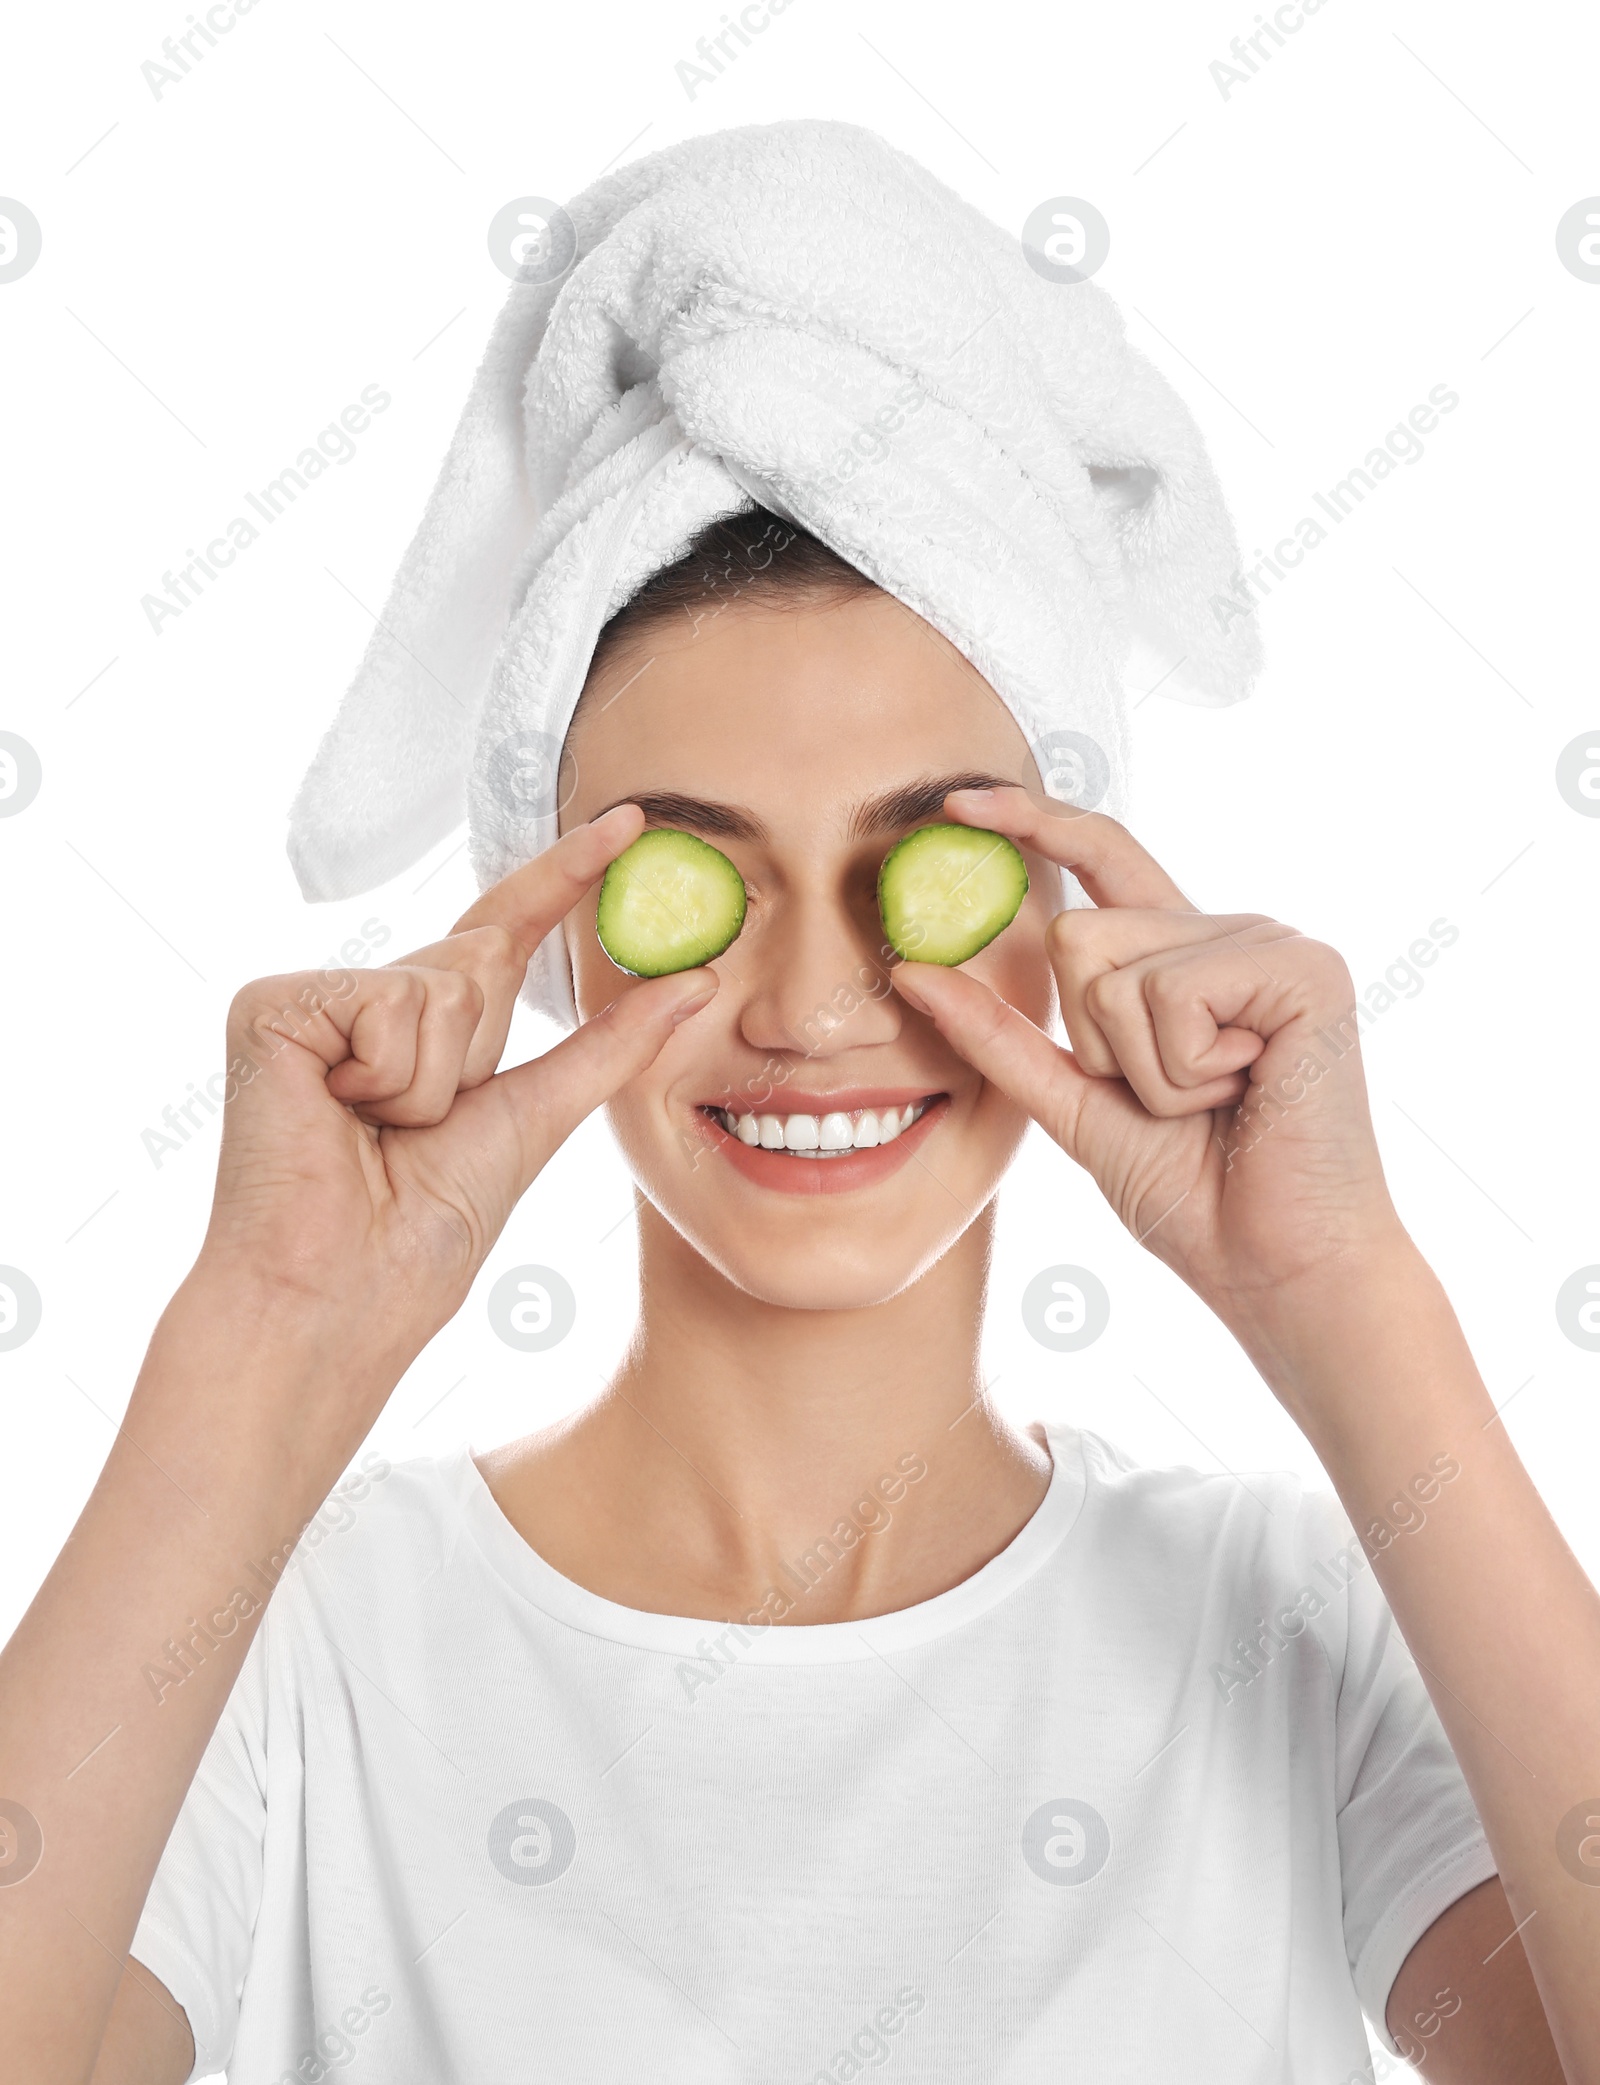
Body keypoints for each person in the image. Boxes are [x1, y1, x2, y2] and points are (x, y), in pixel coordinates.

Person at [2, 505, 1593, 2082]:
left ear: (1066, 925)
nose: (817, 1009)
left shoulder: (1296, 1622)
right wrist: (265, 1333)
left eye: (922, 871)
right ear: (558, 939)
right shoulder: (286, 1649)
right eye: (708, 879)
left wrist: (1344, 1292)